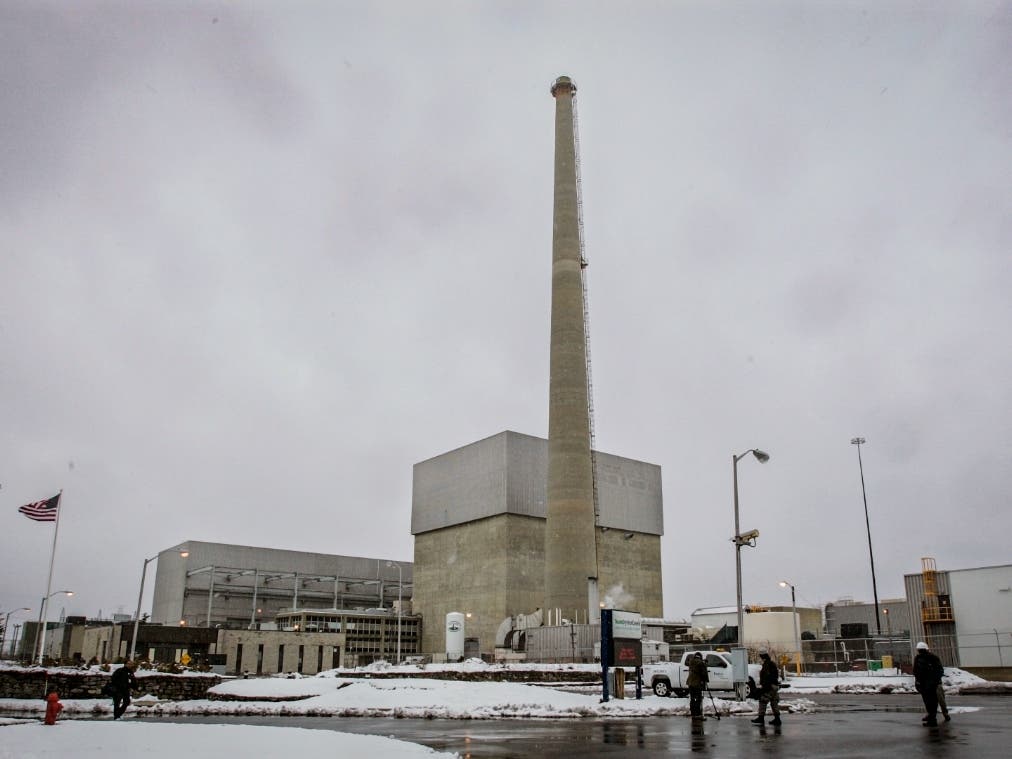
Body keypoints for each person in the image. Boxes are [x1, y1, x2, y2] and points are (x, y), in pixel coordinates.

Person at [913, 641, 945, 726]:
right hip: (927, 684)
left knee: (930, 701)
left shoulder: (921, 658)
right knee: (931, 701)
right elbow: (916, 671)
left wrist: (918, 681)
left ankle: (932, 719)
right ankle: (931, 716)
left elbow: (916, 671)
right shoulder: (930, 657)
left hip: (928, 684)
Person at [751, 648, 782, 726]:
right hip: (774, 686)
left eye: (760, 656)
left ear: (762, 656)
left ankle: (761, 718)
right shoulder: (770, 663)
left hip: (769, 686)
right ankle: (777, 719)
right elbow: (774, 675)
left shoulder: (767, 664)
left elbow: (767, 676)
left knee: (763, 700)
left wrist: (764, 687)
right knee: (774, 702)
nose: (760, 657)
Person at [686, 652, 708, 719]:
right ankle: (698, 714)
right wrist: (705, 681)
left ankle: (693, 713)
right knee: (698, 699)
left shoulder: (691, 662)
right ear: (700, 657)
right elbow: (704, 674)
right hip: (697, 683)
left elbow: (696, 668)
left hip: (690, 683)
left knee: (692, 698)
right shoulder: (701, 663)